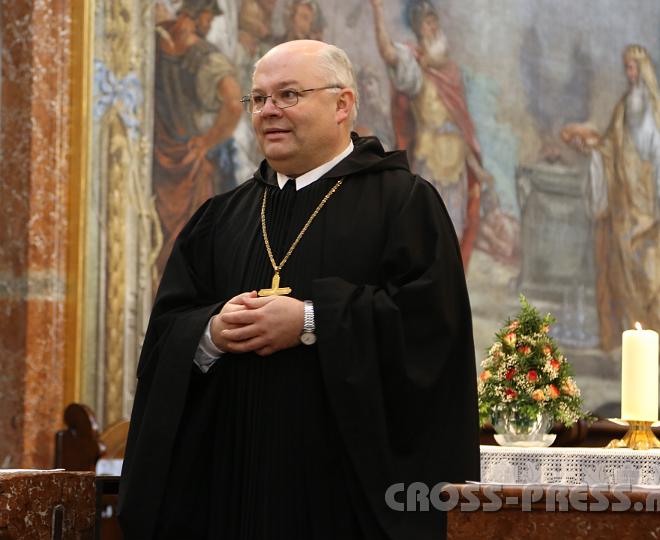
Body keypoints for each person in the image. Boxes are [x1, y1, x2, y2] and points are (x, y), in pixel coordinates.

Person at [119, 39, 479, 539]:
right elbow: (165, 337)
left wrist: (312, 321)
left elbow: (431, 331)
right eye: (259, 99)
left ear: (342, 105)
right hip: (231, 495)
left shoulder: (403, 203)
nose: (269, 112)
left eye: (288, 95)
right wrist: (211, 333)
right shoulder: (219, 219)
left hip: (345, 500)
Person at [566, 45, 660, 356]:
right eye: (626, 68)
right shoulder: (622, 108)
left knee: (653, 275)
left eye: (632, 68)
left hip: (649, 208)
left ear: (643, 69)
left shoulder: (658, 109)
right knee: (624, 278)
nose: (629, 74)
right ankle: (634, 352)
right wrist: (590, 150)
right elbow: (609, 151)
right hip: (623, 208)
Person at [368, 0, 497, 269]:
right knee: (423, 230)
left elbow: (462, 129)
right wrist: (378, 10)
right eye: (427, 22)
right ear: (418, 28)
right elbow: (388, 52)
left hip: (456, 166)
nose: (433, 26)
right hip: (429, 158)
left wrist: (477, 169)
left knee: (454, 231)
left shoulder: (451, 73)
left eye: (434, 20)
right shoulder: (413, 66)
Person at [153, 0, 244, 283]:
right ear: (199, 13)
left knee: (160, 238)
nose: (210, 24)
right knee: (191, 243)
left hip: (158, 157)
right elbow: (235, 104)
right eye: (209, 17)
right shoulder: (204, 55)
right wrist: (206, 142)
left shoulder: (156, 38)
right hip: (191, 163)